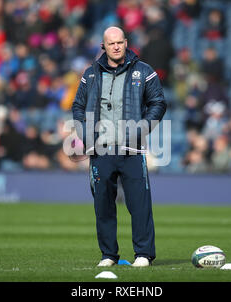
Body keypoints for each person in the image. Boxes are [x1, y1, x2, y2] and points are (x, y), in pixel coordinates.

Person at [71, 26, 167, 267]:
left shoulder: (144, 71)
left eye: (120, 42)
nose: (116, 46)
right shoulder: (91, 74)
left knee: (139, 204)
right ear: (103, 46)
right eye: (111, 43)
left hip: (131, 150)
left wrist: (142, 129)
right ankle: (108, 255)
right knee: (103, 205)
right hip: (100, 150)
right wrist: (85, 135)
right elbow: (78, 107)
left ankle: (143, 254)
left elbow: (158, 103)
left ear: (126, 43)